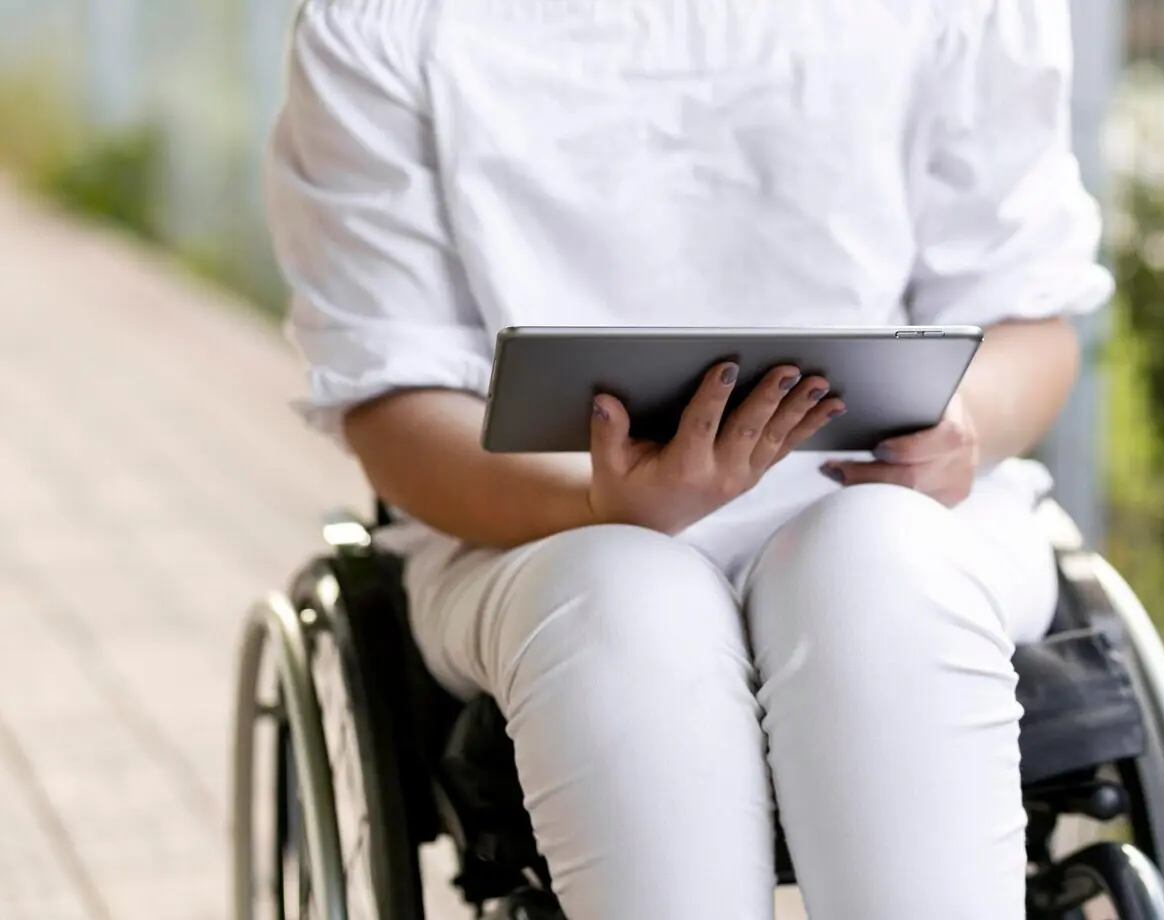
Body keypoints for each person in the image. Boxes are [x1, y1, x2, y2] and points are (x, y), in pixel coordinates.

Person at [264, 0, 1113, 917]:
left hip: (899, 507)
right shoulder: (385, 25)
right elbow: (394, 402)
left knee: (874, 565)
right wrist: (597, 504)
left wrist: (963, 420)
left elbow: (1028, 319)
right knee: (624, 596)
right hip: (533, 527)